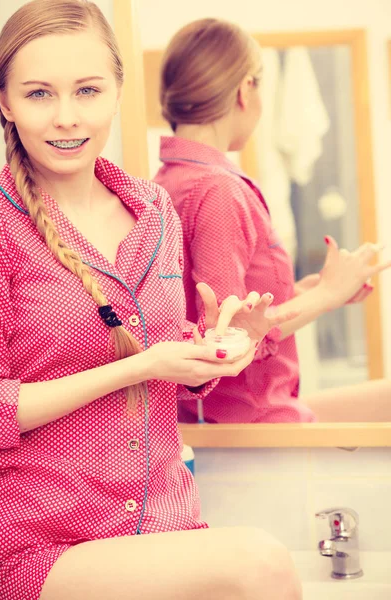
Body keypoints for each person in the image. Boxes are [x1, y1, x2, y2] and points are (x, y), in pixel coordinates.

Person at [0, 2, 303, 599]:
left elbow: (167, 367)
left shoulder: (153, 211)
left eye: (87, 90)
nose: (66, 117)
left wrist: (216, 345)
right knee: (261, 565)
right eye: (38, 94)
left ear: (117, 92)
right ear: (4, 101)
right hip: (41, 548)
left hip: (165, 521)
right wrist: (139, 365)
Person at [154, 18, 391, 425]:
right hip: (248, 423)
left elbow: (235, 309)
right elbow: (228, 338)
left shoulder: (167, 182)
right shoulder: (218, 191)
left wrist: (304, 290)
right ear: (246, 90)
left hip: (227, 417)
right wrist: (330, 293)